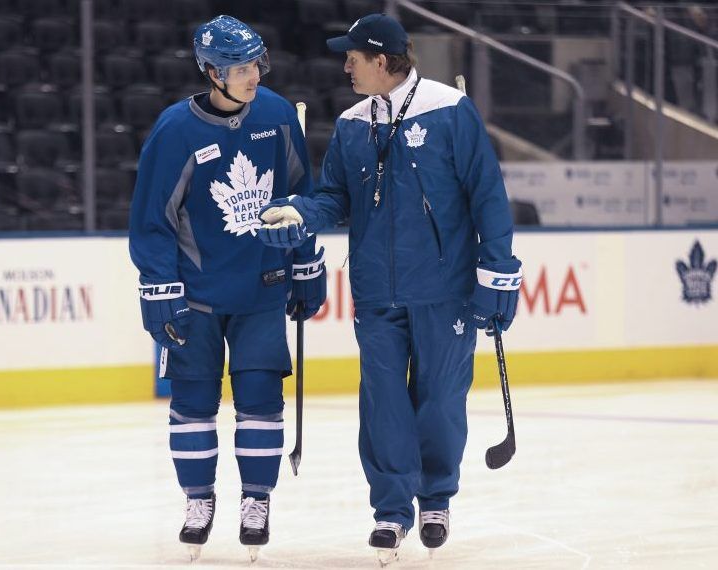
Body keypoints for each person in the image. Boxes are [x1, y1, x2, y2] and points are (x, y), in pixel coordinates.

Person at [257, 13, 522, 564]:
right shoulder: (354, 123)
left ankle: (436, 498)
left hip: (444, 288)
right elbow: (334, 196)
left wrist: (496, 272)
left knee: (441, 399)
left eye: (352, 56)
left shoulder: (450, 111)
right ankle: (391, 510)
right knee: (382, 403)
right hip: (376, 290)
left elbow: (488, 197)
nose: (345, 65)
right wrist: (299, 212)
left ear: (382, 60)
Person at [128, 15, 326, 562]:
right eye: (239, 68)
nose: (252, 76)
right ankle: (198, 500)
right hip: (196, 295)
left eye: (256, 64)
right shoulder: (175, 130)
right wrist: (159, 288)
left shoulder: (279, 115)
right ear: (212, 73)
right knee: (193, 402)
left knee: (261, 400)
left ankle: (256, 500)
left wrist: (306, 262)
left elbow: (301, 198)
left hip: (263, 290)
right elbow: (151, 220)